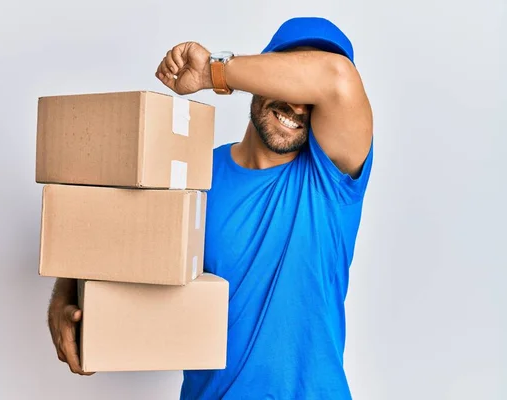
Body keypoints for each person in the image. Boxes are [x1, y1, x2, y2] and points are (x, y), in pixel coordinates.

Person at [47, 16, 374, 399]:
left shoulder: (332, 181)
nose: (299, 102)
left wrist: (212, 72)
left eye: (310, 90)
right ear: (262, 76)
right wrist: (68, 294)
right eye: (288, 75)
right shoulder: (196, 173)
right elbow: (119, 238)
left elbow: (336, 78)